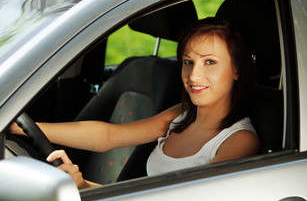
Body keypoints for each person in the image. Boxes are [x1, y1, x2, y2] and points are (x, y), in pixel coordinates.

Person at [10, 17, 260, 189]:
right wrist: (23, 128)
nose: (194, 75)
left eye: (210, 62)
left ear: (237, 69)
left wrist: (85, 187)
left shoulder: (239, 141)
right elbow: (108, 136)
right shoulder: (183, 114)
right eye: (188, 62)